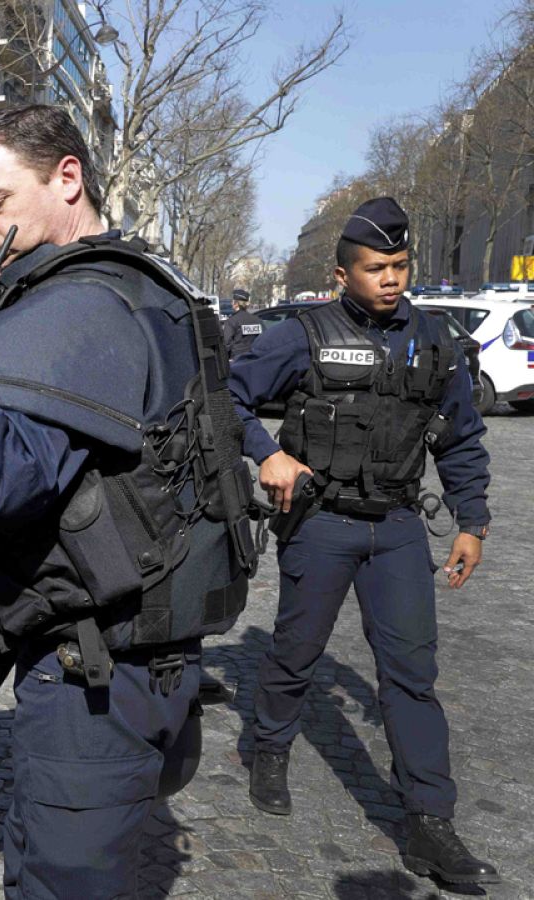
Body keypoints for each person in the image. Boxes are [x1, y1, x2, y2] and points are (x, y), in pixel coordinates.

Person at [0, 105, 253, 899]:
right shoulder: (16, 300)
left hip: (93, 647)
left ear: (68, 177)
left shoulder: (90, 303)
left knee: (59, 874)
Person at [229, 197, 498, 886]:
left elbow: (462, 437)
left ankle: (430, 824)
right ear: (343, 272)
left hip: (400, 528)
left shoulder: (434, 341)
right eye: (376, 268)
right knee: (295, 651)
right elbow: (223, 396)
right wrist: (266, 452)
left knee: (412, 677)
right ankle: (268, 746)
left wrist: (472, 521)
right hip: (321, 523)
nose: (391, 279)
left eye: (400, 265)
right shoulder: (303, 335)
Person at [221, 288, 266, 360]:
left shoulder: (232, 321)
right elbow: (264, 338)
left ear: (236, 304)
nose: (231, 303)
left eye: (233, 301)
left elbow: (226, 343)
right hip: (254, 358)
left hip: (237, 360)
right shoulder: (257, 320)